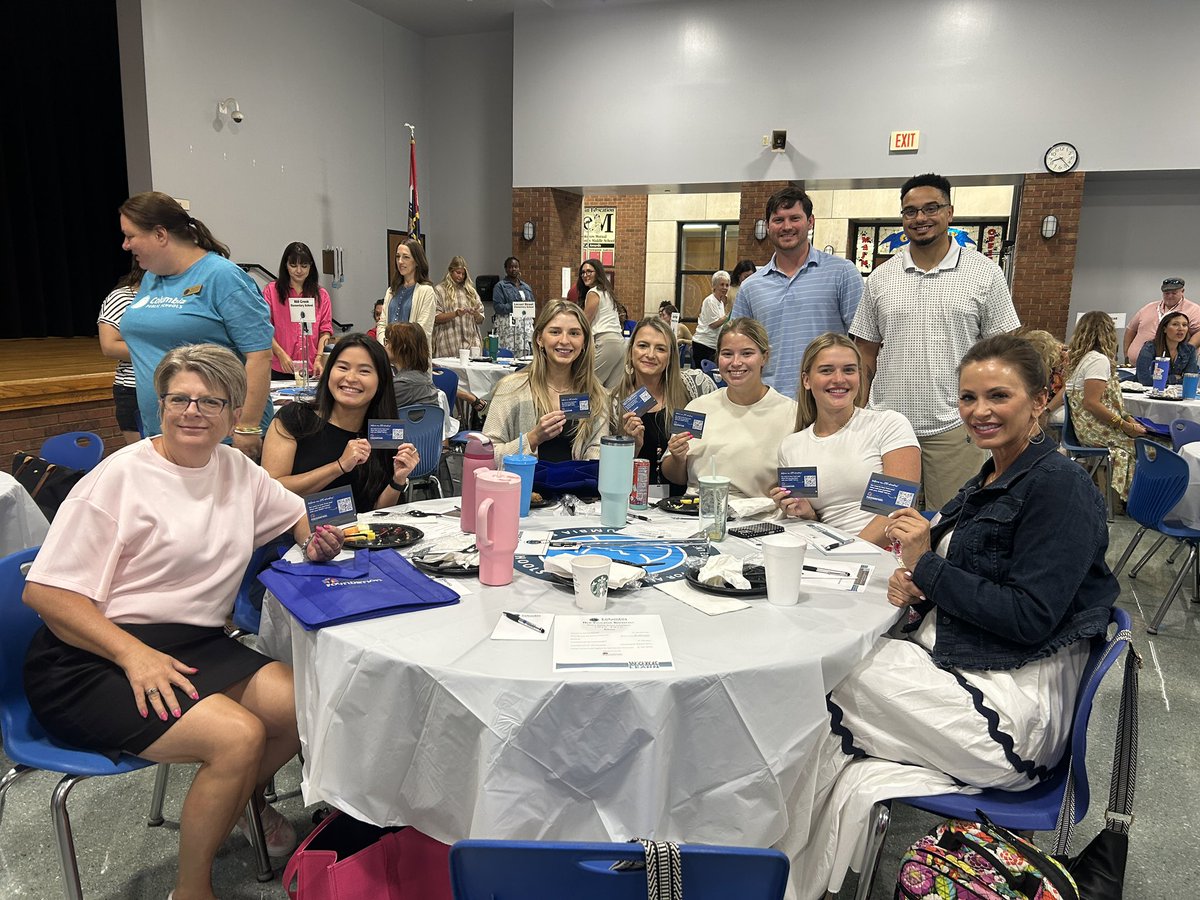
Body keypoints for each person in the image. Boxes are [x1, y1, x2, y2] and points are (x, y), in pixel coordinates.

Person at [784, 334, 1117, 899]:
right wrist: (921, 584)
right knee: (810, 693)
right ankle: (780, 873)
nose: (979, 411)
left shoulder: (1058, 487)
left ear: (1039, 399)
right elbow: (972, 572)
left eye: (998, 396)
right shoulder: (992, 475)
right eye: (967, 398)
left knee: (807, 679)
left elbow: (1029, 617)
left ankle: (770, 871)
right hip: (965, 666)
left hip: (1011, 710)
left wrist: (926, 568)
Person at [22, 344, 348, 900]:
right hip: (91, 655)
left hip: (193, 642)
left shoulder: (234, 469)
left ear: (232, 412)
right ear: (161, 403)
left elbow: (292, 512)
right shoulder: (117, 479)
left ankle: (241, 802)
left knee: (308, 703)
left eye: (209, 401)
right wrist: (133, 655)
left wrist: (311, 539)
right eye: (180, 399)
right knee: (238, 738)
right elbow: (45, 593)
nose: (192, 412)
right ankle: (192, 890)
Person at [851, 173, 1021, 510]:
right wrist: (858, 415)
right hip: (887, 427)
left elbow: (1005, 356)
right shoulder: (881, 278)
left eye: (931, 208)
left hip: (957, 429)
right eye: (910, 211)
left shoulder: (984, 273)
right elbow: (865, 352)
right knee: (887, 523)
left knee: (953, 526)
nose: (920, 218)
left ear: (949, 212)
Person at [117, 191, 274, 459]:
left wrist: (247, 427)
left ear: (160, 234)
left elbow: (259, 354)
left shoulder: (222, 277)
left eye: (130, 235)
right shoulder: (152, 278)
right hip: (165, 432)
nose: (125, 245)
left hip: (218, 436)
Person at [771, 334, 920, 547]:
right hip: (823, 553)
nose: (839, 379)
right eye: (826, 370)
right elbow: (815, 523)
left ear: (859, 377)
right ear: (806, 380)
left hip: (883, 552)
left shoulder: (888, 425)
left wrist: (848, 552)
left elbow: (895, 508)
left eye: (849, 370)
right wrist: (807, 514)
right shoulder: (790, 446)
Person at [262, 334, 420, 512]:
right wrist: (339, 466)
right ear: (329, 372)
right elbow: (271, 490)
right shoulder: (295, 418)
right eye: (343, 367)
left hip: (359, 535)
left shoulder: (383, 431)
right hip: (297, 535)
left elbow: (377, 511)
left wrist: (398, 479)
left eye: (364, 371)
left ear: (381, 381)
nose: (351, 378)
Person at [732, 185, 862, 399]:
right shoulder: (751, 287)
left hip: (827, 399)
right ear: (768, 225)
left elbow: (861, 343)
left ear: (810, 222)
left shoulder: (841, 273)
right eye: (778, 220)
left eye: (795, 218)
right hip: (768, 400)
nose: (787, 226)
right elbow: (739, 346)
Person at [660, 318, 797, 498]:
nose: (736, 362)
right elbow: (675, 477)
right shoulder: (697, 408)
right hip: (695, 515)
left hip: (758, 520)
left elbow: (799, 488)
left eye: (747, 354)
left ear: (765, 357)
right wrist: (678, 458)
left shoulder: (791, 413)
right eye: (727, 354)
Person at [484, 299, 610, 461]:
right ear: (539, 339)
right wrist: (532, 438)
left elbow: (597, 448)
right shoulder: (511, 388)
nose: (565, 341)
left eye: (574, 333)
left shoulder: (596, 394)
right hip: (524, 485)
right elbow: (488, 454)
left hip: (578, 485)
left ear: (584, 342)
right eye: (555, 332)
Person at [612, 316, 716, 495]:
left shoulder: (695, 387)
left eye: (660, 348)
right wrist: (631, 446)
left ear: (670, 356)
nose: (650, 355)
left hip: (685, 500)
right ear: (630, 351)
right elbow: (612, 474)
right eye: (643, 345)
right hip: (634, 500)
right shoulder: (613, 402)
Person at [1064, 310, 1146, 500]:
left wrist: (1128, 420)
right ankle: (1139, 500)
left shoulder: (1083, 359)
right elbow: (1092, 403)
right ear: (1108, 333)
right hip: (1094, 429)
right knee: (1154, 445)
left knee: (1146, 435)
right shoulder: (1097, 360)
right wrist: (1124, 425)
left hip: (1088, 427)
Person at [262, 241, 334, 380]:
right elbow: (264, 327)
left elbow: (325, 330)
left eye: (304, 266)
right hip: (280, 366)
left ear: (310, 267)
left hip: (312, 366)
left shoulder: (321, 295)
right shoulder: (271, 291)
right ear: (286, 266)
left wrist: (319, 358)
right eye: (293, 265)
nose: (299, 271)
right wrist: (281, 354)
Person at [97, 261, 145, 445]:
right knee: (145, 460)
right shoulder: (123, 297)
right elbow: (109, 346)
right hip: (134, 389)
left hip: (176, 387)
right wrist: (163, 352)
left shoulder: (179, 296)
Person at [377, 239, 436, 355]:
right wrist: (385, 344)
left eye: (406, 257)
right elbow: (382, 324)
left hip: (412, 358)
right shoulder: (391, 291)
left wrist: (397, 347)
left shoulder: (426, 291)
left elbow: (422, 330)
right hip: (388, 356)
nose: (400, 261)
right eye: (398, 256)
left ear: (417, 261)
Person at [1122, 276, 1200, 362]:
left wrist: (1184, 352)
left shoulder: (1194, 310)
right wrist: (1127, 354)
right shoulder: (1149, 308)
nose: (1170, 296)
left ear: (1182, 291)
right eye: (1166, 293)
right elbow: (1131, 329)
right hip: (1134, 365)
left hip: (1168, 368)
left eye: (1174, 293)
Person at [575, 259, 625, 389]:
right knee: (611, 391)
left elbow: (585, 321)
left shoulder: (593, 292)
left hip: (605, 342)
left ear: (598, 273)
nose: (585, 275)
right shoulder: (607, 292)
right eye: (583, 273)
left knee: (587, 386)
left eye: (589, 271)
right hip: (619, 343)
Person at [432, 255, 485, 358]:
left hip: (471, 342)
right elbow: (436, 318)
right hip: (448, 342)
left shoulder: (471, 292)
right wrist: (455, 313)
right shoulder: (440, 290)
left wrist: (476, 314)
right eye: (458, 272)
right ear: (450, 271)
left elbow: (481, 319)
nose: (460, 276)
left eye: (463, 274)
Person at [383, 322, 441, 409]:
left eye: (388, 341)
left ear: (403, 347)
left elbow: (376, 411)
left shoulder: (403, 384)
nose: (385, 346)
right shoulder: (422, 376)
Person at [1135, 311, 1198, 386]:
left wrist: (1161, 379)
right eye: (1175, 324)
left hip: (1176, 394)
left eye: (1184, 325)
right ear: (1164, 329)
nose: (1181, 328)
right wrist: (1174, 378)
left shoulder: (1189, 350)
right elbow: (1144, 379)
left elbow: (1190, 379)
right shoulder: (1150, 347)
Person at [691, 271, 733, 367]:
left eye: (727, 285)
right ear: (714, 286)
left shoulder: (721, 303)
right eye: (722, 285)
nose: (725, 288)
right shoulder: (710, 301)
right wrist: (729, 316)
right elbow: (713, 324)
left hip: (713, 345)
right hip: (703, 345)